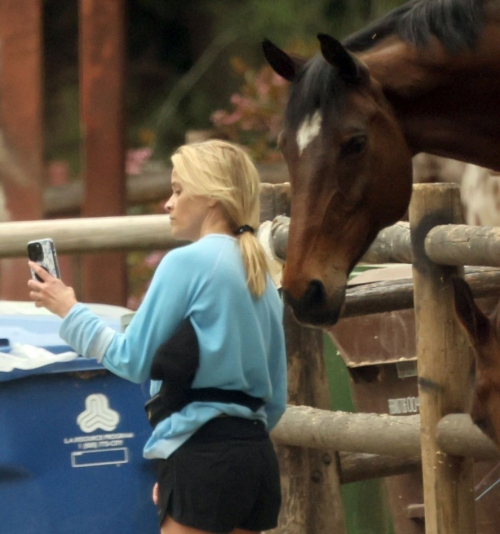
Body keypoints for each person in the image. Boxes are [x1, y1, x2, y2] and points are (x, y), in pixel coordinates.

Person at [27, 140, 287, 534]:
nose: (168, 202)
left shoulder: (187, 262)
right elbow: (277, 401)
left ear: (212, 198)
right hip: (256, 461)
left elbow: (132, 359)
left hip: (203, 454)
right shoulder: (262, 274)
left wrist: (68, 309)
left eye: (179, 190)